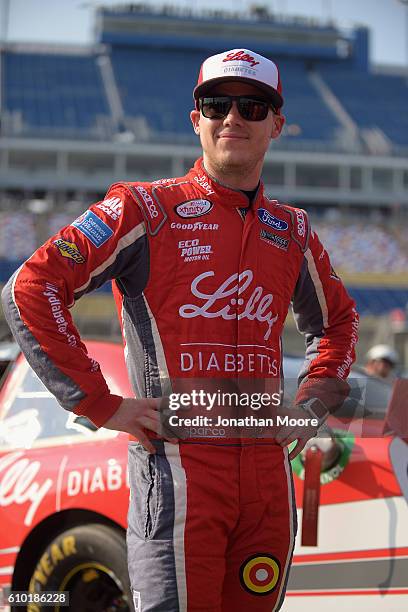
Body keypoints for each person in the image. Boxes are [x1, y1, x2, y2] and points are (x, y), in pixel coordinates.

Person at [1, 48, 359, 611]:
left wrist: (312, 403)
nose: (232, 118)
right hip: (178, 475)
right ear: (196, 120)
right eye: (216, 104)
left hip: (267, 481)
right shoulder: (142, 209)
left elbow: (339, 323)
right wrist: (100, 403)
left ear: (277, 125)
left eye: (253, 106)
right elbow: (30, 287)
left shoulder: (292, 230)